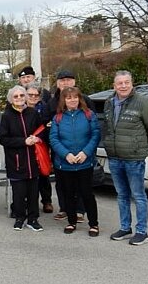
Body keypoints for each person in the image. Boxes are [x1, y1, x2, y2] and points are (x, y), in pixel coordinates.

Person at [103, 71, 148, 246]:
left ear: (131, 83)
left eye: (126, 82)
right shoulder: (109, 103)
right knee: (121, 195)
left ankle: (142, 231)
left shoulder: (143, 102)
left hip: (133, 159)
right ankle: (125, 227)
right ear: (114, 86)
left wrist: (140, 148)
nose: (123, 86)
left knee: (138, 195)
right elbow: (108, 127)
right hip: (114, 157)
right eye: (119, 83)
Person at [50, 87, 101, 237]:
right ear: (64, 100)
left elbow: (95, 135)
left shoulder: (88, 115)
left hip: (84, 162)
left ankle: (94, 224)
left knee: (87, 194)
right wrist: (66, 155)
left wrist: (85, 152)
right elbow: (54, 139)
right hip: (65, 164)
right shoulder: (58, 118)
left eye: (75, 97)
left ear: (79, 99)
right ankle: (71, 221)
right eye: (68, 98)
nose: (72, 100)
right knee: (68, 194)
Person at [48, 70, 93, 222]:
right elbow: (48, 124)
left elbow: (94, 127)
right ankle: (64, 208)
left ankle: (80, 210)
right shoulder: (52, 102)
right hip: (60, 150)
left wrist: (86, 151)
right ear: (57, 83)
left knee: (82, 184)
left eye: (68, 80)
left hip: (82, 152)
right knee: (62, 183)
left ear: (74, 82)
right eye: (61, 80)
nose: (65, 83)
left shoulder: (84, 100)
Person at [0, 85, 45, 232]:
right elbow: (3, 139)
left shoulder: (32, 113)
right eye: (16, 96)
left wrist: (36, 138)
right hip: (16, 160)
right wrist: (23, 141)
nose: (19, 98)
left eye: (21, 95)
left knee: (33, 191)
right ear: (11, 99)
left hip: (33, 159)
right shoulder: (6, 116)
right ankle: (19, 217)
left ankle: (33, 219)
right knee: (18, 192)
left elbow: (42, 130)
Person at [25, 83, 54, 215]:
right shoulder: (21, 107)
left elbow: (48, 125)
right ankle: (28, 201)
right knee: (27, 174)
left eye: (35, 95)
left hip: (41, 143)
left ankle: (46, 200)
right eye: (30, 94)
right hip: (25, 144)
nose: (33, 97)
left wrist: (39, 138)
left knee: (43, 173)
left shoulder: (44, 108)